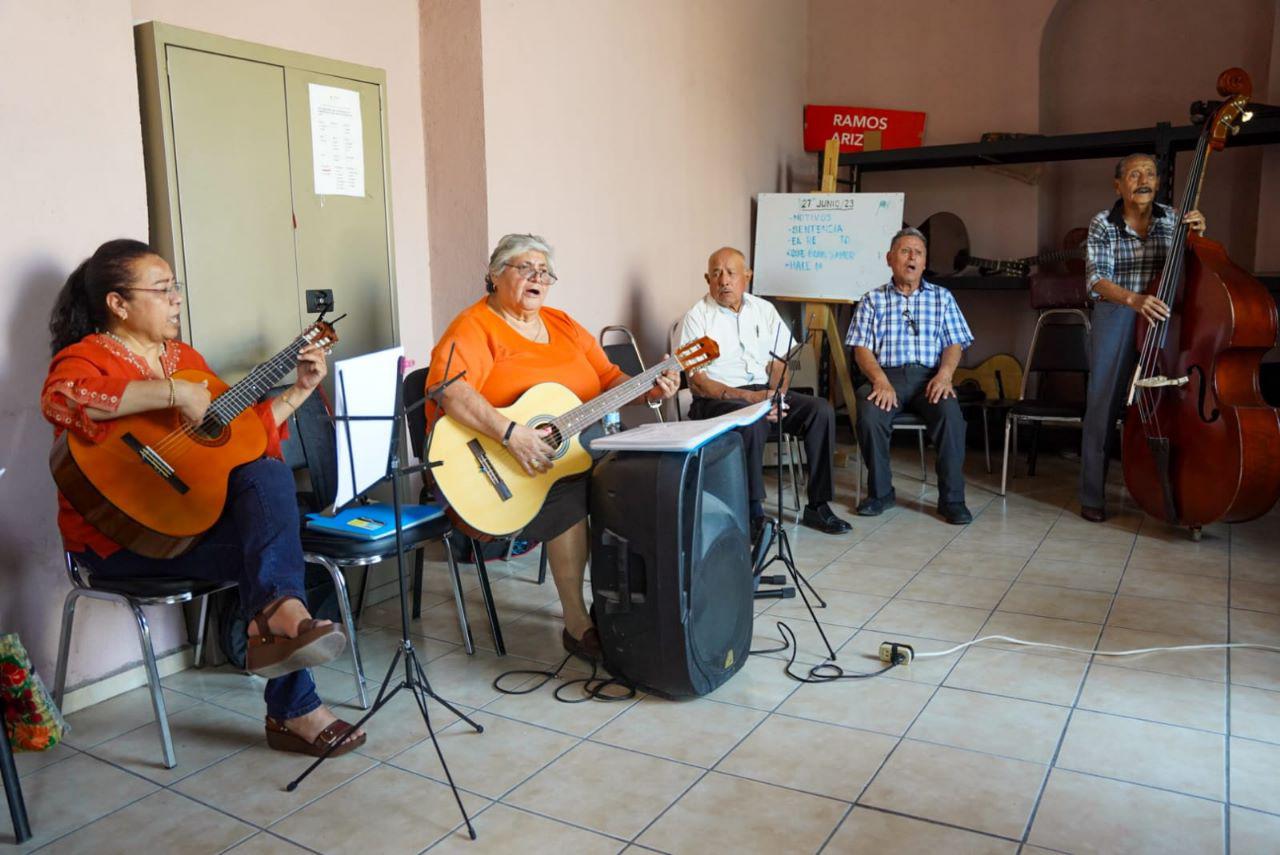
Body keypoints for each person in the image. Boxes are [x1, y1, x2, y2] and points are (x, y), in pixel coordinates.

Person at [41, 239, 365, 758]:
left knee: (267, 480)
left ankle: (279, 615)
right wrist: (171, 394)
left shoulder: (185, 358)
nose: (176, 300)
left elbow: (237, 438)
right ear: (118, 304)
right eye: (163, 289)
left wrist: (299, 391)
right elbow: (61, 399)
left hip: (186, 527)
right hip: (119, 541)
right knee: (271, 555)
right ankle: (291, 692)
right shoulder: (87, 357)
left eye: (176, 288)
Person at [424, 233, 678, 662]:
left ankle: (626, 606)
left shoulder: (563, 324)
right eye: (525, 268)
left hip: (567, 456)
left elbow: (608, 380)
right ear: (494, 274)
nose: (536, 278)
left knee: (630, 479)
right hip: (496, 472)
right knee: (580, 491)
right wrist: (510, 433)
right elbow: (447, 390)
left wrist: (649, 389)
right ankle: (578, 624)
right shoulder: (475, 326)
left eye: (544, 271)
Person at [677, 246, 852, 543]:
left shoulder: (763, 310)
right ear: (707, 279)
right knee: (753, 422)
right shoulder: (697, 317)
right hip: (718, 400)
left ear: (747, 276)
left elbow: (778, 363)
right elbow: (699, 383)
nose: (724, 281)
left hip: (763, 393)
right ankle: (753, 512)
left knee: (820, 410)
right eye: (717, 274)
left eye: (732, 273)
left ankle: (818, 505)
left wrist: (775, 396)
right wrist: (752, 402)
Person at [1080, 153, 1206, 522]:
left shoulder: (1174, 220)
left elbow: (1196, 270)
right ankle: (1092, 496)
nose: (1143, 180)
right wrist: (1134, 300)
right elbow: (1096, 280)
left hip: (1163, 317)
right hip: (1118, 311)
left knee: (1173, 402)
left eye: (1150, 173)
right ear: (1118, 185)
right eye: (1134, 174)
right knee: (1102, 402)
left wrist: (1198, 237)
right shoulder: (1103, 223)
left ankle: (1175, 490)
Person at [846, 227, 975, 525]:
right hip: (887, 377)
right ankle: (880, 493)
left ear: (925, 261)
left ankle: (952, 500)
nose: (912, 257)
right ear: (890, 259)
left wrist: (945, 375)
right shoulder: (872, 300)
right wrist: (879, 380)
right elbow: (862, 349)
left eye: (918, 252)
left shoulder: (942, 298)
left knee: (951, 416)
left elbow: (954, 343)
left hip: (930, 378)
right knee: (869, 413)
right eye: (905, 251)